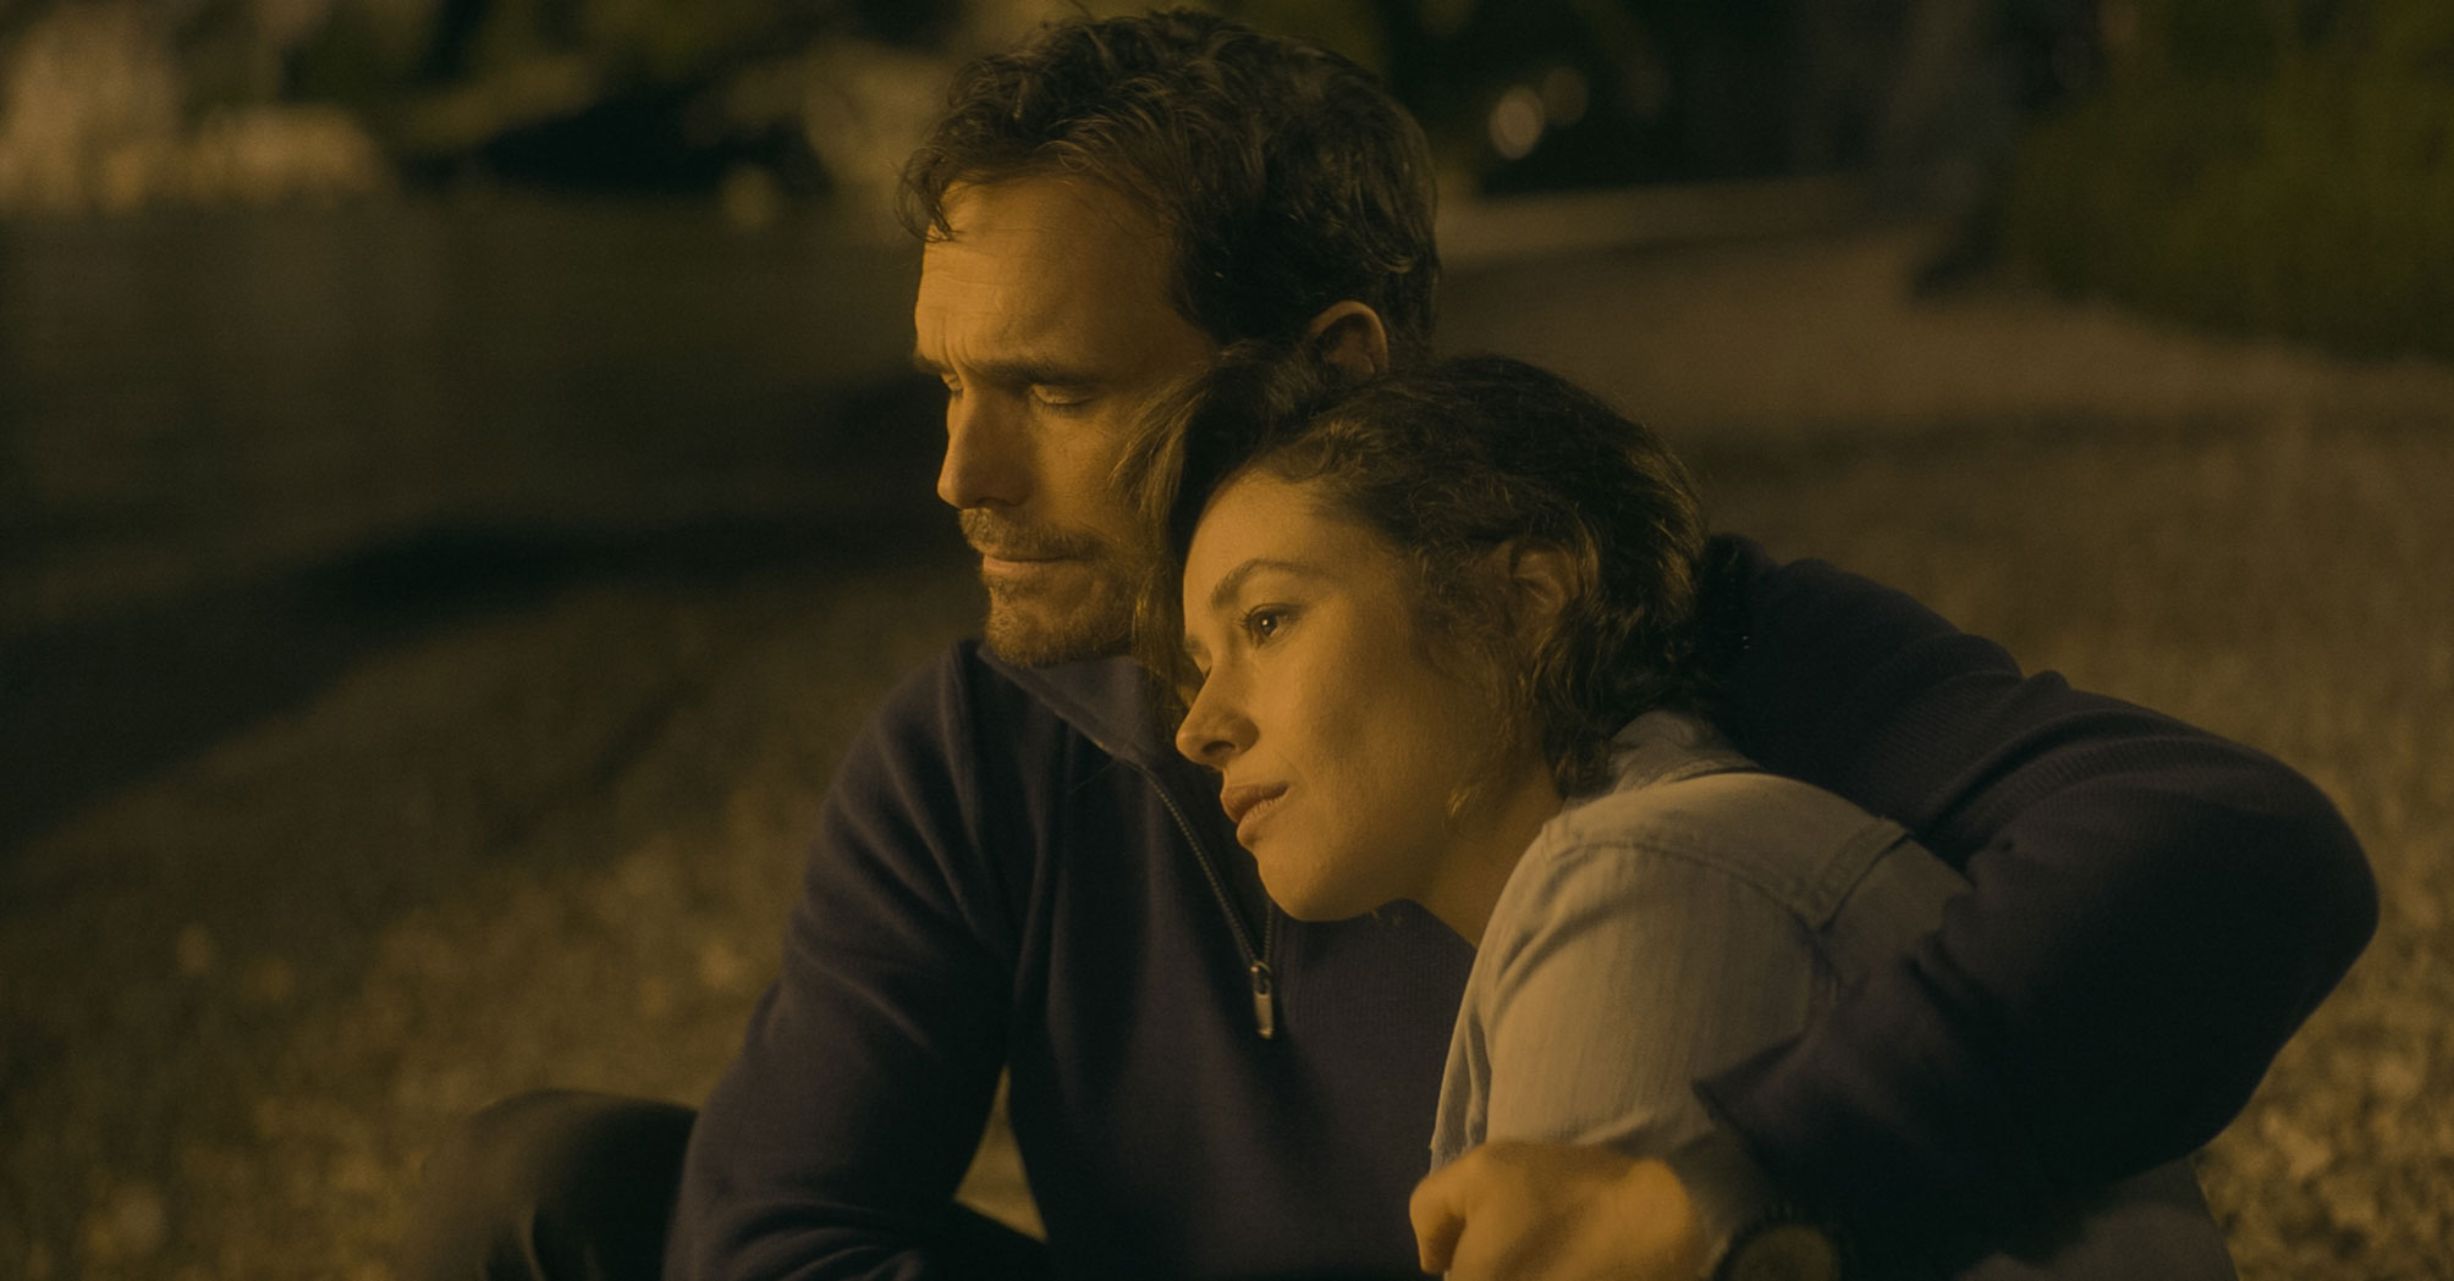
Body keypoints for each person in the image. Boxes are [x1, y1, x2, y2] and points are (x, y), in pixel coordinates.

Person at [400, 11, 2374, 1280]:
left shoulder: (1644, 623)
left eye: (1054, 393)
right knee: (540, 1187)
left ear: (1328, 373)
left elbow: (2232, 844)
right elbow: (773, 1239)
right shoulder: (977, 752)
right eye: (943, 386)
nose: (958, 477)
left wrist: (1748, 1166)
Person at [1129, 348, 2235, 1280]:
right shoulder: (1636, 868)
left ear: (1524, 602)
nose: (1199, 727)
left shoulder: (1643, 879)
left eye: (1266, 621)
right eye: (1197, 668)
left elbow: (2236, 831)